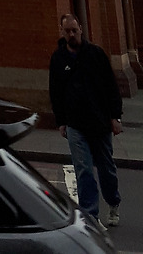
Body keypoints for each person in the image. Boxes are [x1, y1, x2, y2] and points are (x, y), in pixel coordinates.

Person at [49, 12, 123, 228]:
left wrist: (115, 117)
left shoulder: (96, 54)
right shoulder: (58, 59)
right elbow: (56, 92)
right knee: (83, 170)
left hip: (100, 123)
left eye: (74, 30)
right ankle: (90, 215)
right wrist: (61, 121)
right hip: (75, 125)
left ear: (81, 29)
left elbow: (111, 87)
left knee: (106, 168)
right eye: (67, 31)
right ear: (62, 32)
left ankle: (113, 201)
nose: (71, 34)